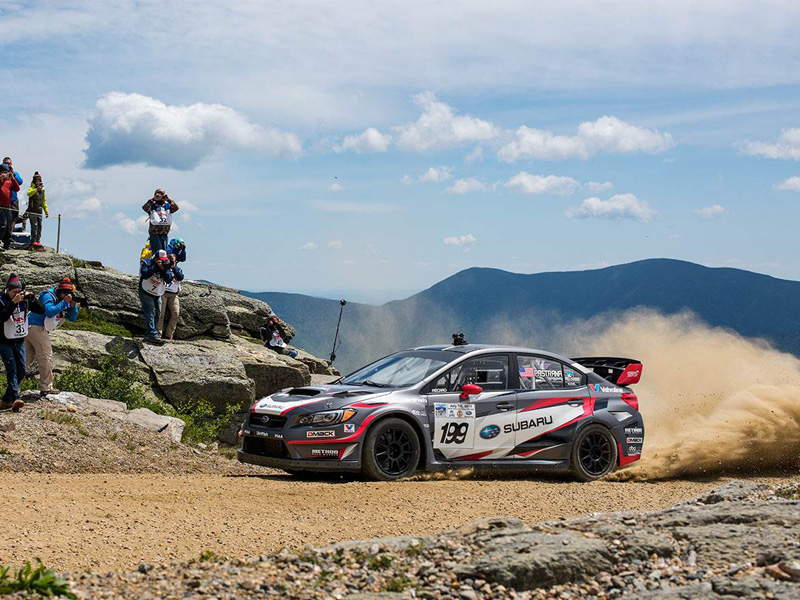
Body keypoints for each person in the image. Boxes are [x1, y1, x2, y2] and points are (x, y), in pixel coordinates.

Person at [26, 277, 78, 395]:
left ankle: (13, 390)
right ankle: (46, 387)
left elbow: (73, 318)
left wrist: (72, 306)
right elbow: (49, 311)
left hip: (34, 328)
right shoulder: (47, 295)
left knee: (25, 358)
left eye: (69, 294)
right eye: (64, 293)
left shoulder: (65, 299)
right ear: (59, 291)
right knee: (46, 356)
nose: (66, 296)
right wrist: (64, 302)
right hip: (36, 326)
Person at [0, 274, 30, 411]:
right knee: (12, 369)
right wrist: (13, 303)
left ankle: (6, 400)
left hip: (18, 340)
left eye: (19, 292)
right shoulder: (1, 300)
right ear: (8, 290)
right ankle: (16, 397)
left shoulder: (23, 300)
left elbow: (41, 310)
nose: (17, 295)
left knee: (22, 371)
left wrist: (32, 299)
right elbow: (3, 317)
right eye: (14, 292)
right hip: (4, 341)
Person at [139, 249, 174, 343]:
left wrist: (164, 269)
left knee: (158, 313)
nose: (162, 261)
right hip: (145, 290)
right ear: (155, 258)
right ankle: (152, 334)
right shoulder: (146, 262)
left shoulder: (166, 265)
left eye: (164, 259)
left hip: (157, 292)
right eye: (160, 260)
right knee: (150, 311)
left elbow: (169, 279)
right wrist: (155, 267)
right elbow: (145, 274)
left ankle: (151, 331)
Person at [157, 253, 184, 341]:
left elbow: (180, 277)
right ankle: (158, 333)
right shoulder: (164, 269)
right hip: (163, 292)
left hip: (173, 294)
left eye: (173, 260)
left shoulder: (178, 269)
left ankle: (169, 334)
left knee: (175, 313)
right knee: (161, 313)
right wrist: (167, 268)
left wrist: (174, 268)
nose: (172, 262)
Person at [0, 163, 20, 250]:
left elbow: (17, 188)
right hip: (0, 206)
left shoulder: (10, 181)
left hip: (7, 206)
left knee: (8, 226)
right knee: (2, 224)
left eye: (6, 172)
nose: (5, 174)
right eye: (3, 172)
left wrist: (13, 178)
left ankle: (6, 245)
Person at [26, 172, 49, 247]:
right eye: (37, 181)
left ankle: (38, 240)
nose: (39, 183)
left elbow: (43, 201)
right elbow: (29, 193)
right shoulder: (32, 188)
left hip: (39, 211)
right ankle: (33, 240)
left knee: (39, 226)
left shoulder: (43, 191)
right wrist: (36, 189)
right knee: (34, 226)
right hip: (32, 211)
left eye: (40, 181)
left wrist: (46, 210)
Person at [2, 158, 23, 232]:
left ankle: (10, 234)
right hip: (3, 200)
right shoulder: (1, 173)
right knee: (3, 220)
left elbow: (20, 182)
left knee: (13, 218)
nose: (7, 165)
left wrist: (13, 174)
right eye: (6, 163)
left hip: (13, 199)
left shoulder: (14, 173)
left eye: (9, 163)